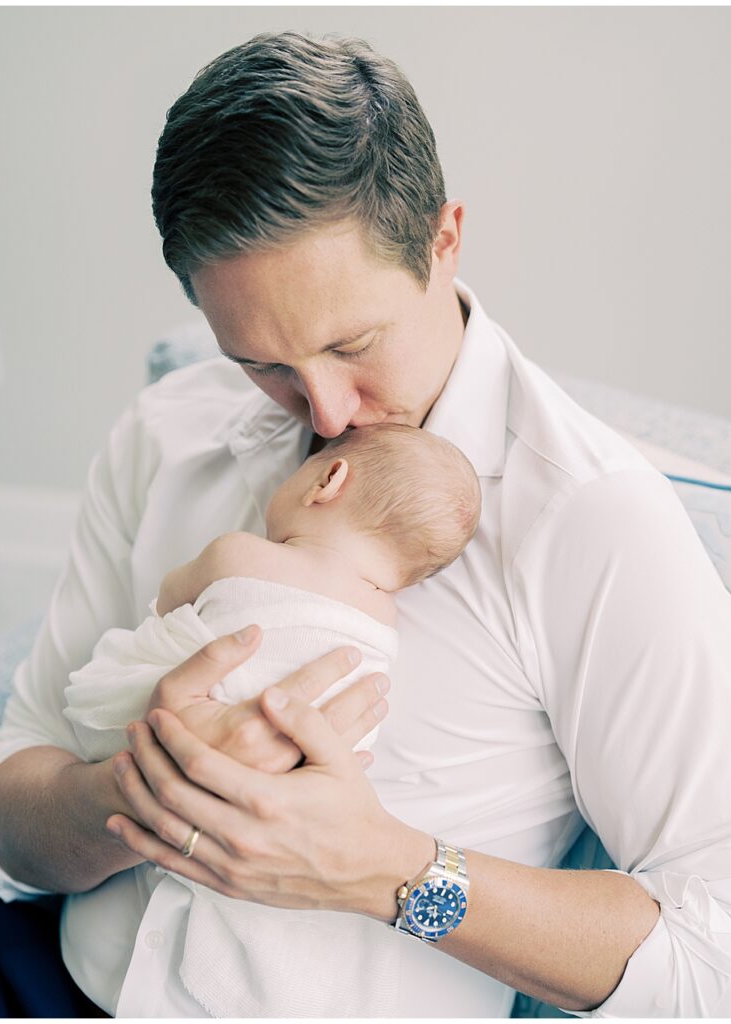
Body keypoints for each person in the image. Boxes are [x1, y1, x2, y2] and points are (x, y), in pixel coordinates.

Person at [0, 30, 731, 1020]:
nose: (328, 413)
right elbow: (10, 806)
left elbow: (722, 956)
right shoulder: (169, 433)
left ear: (446, 237)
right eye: (265, 364)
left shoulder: (588, 519)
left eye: (352, 342)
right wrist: (134, 796)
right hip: (42, 981)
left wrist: (385, 872)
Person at [60, 422, 480, 1016]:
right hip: (301, 793)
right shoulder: (382, 626)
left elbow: (168, 602)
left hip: (176, 742)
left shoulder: (238, 553)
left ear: (329, 478)